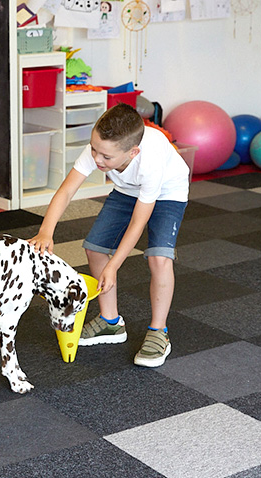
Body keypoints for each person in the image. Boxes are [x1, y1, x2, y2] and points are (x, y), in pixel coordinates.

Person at [29, 103, 189, 367]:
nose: (97, 159)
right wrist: (46, 231)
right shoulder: (100, 147)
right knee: (94, 247)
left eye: (105, 157)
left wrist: (114, 266)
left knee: (159, 258)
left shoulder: (151, 160)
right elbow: (67, 191)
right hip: (127, 191)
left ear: (133, 152)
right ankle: (110, 321)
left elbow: (139, 221)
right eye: (94, 150)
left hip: (167, 193)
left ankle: (159, 331)